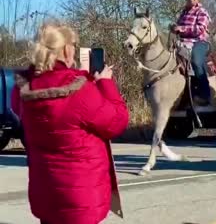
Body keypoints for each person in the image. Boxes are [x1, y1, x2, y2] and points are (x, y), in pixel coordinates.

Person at [11, 21, 129, 224]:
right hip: (80, 200)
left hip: (46, 194)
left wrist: (80, 77)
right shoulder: (80, 90)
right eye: (73, 45)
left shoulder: (23, 90)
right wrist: (104, 82)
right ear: (66, 50)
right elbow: (117, 121)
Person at [170, 0, 212, 105]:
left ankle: (205, 94)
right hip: (183, 43)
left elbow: (200, 29)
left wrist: (181, 29)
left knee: (196, 61)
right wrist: (173, 28)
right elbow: (178, 26)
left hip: (200, 42)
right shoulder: (183, 13)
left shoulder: (202, 12)